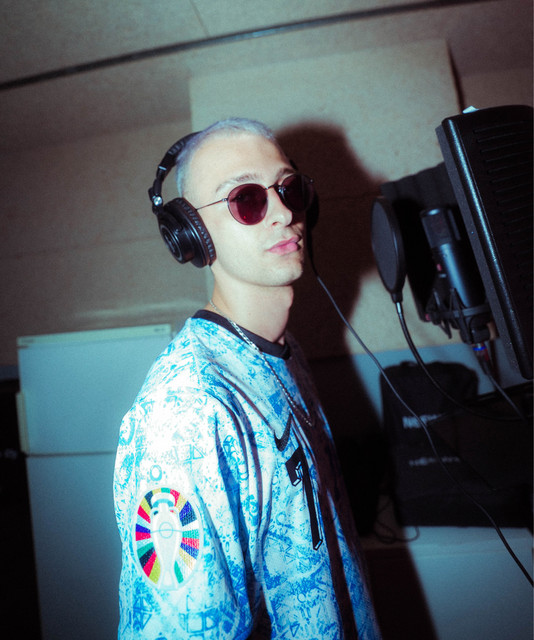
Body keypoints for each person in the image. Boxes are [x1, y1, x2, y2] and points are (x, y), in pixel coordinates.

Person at [114, 118, 381, 639]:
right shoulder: (186, 411)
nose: (284, 213)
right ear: (192, 235)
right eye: (247, 199)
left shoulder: (285, 353)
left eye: (288, 189)